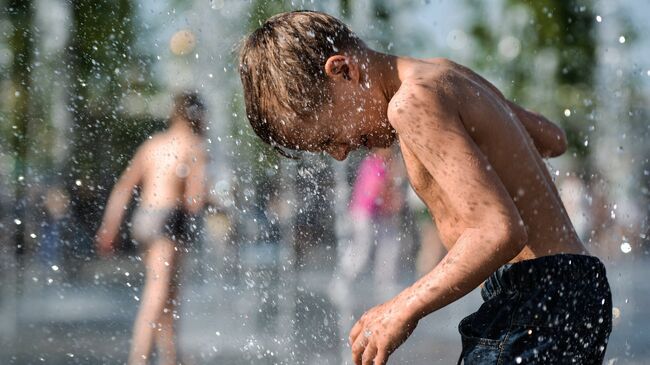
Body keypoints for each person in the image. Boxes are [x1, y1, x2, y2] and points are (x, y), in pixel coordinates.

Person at [238, 11, 612, 365]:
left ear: (343, 70)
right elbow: (552, 139)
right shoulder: (443, 75)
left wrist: (402, 307)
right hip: (574, 289)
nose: (339, 154)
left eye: (329, 136)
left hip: (536, 299)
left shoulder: (411, 104)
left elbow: (499, 231)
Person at [96, 92, 208, 365]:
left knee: (168, 295)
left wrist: (109, 227)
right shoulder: (194, 146)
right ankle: (139, 359)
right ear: (197, 116)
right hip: (169, 221)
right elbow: (195, 200)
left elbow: (124, 187)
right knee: (158, 293)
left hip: (144, 218)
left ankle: (171, 359)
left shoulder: (153, 144)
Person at [333, 147, 404, 303]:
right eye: (388, 149)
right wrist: (391, 196)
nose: (391, 152)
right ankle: (342, 281)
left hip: (376, 214)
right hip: (363, 213)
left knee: (389, 246)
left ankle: (385, 284)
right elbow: (374, 190)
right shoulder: (373, 164)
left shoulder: (380, 163)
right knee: (362, 251)